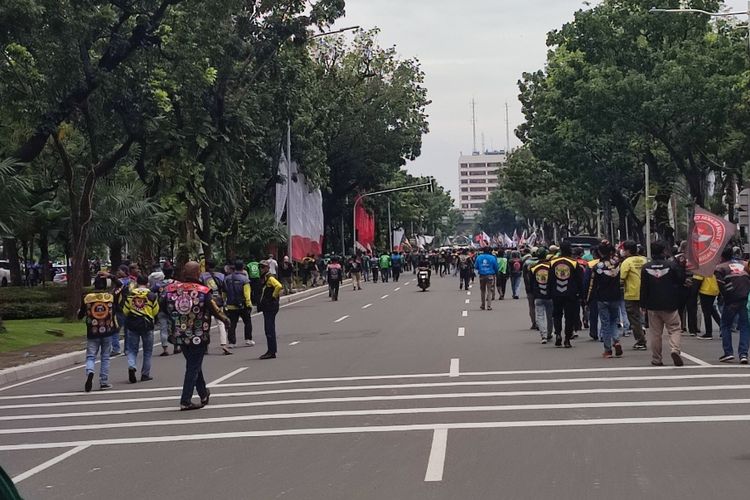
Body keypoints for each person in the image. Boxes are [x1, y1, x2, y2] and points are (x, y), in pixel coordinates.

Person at [163, 261, 230, 410]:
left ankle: (203, 393)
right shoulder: (203, 291)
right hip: (198, 335)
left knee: (194, 365)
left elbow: (163, 307)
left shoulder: (171, 290)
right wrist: (225, 320)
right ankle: (185, 400)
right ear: (198, 273)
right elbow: (214, 310)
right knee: (193, 367)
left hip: (179, 334)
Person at [640, 241, 684, 367]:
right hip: (670, 303)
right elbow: (680, 280)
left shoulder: (646, 267)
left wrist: (643, 304)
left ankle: (656, 359)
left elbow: (643, 287)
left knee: (655, 333)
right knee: (674, 329)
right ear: (664, 251)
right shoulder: (671, 266)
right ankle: (675, 349)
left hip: (653, 304)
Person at [78, 274, 120, 391]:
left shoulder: (87, 297)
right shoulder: (110, 296)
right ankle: (103, 381)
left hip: (92, 331)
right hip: (108, 331)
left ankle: (90, 371)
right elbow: (121, 286)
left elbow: (80, 314)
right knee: (105, 357)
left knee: (91, 356)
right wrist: (111, 276)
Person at [587, 243, 623, 359]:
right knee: (614, 320)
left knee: (605, 323)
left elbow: (592, 285)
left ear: (600, 253)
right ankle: (616, 340)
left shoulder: (597, 267)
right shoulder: (617, 264)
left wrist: (588, 299)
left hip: (602, 298)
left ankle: (608, 350)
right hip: (616, 297)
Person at [715, 246, 750, 363]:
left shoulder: (720, 268)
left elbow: (721, 286)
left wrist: (725, 298)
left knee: (725, 325)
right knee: (745, 326)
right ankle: (744, 354)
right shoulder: (744, 264)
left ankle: (728, 352)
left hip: (731, 300)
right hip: (745, 298)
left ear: (722, 256)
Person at [123, 274, 159, 383]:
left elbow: (125, 311)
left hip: (132, 325)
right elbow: (155, 311)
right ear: (147, 283)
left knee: (132, 350)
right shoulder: (151, 295)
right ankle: (145, 374)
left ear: (137, 283)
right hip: (147, 325)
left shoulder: (131, 294)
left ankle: (132, 365)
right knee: (147, 352)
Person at [548, 241, 584, 348]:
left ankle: (558, 334)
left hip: (556, 293)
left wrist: (550, 292)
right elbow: (579, 280)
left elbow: (550, 280)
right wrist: (581, 295)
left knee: (557, 315)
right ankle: (567, 339)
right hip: (571, 294)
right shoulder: (574, 263)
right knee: (569, 317)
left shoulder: (552, 262)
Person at [620, 240, 648, 350]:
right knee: (643, 316)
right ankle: (642, 330)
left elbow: (622, 278)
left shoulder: (626, 262)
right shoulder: (644, 260)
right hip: (645, 293)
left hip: (631, 293)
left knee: (633, 318)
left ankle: (640, 340)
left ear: (627, 250)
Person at [200, 260, 231, 355]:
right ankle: (224, 344)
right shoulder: (221, 276)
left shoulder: (202, 276)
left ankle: (205, 346)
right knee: (221, 323)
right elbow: (225, 289)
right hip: (218, 301)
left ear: (207, 266)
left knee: (206, 324)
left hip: (207, 301)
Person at [224, 260, 254, 348]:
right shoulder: (245, 279)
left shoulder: (227, 278)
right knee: (247, 322)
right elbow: (247, 294)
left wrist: (225, 302)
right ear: (242, 267)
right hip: (243, 305)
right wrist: (249, 304)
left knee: (232, 324)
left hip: (230, 305)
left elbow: (224, 292)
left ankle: (232, 342)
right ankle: (248, 339)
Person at [258, 260, 283, 359]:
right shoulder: (264, 278)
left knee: (269, 329)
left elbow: (279, 286)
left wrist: (273, 297)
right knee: (268, 329)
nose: (261, 269)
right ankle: (271, 350)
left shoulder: (270, 278)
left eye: (263, 267)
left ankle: (271, 351)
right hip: (267, 306)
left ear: (267, 268)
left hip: (270, 306)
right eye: (260, 267)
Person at [152, 263, 176, 356]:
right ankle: (176, 347)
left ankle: (165, 348)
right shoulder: (176, 283)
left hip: (161, 309)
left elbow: (151, 292)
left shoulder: (159, 284)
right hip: (174, 309)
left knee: (163, 328)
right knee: (175, 327)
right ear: (172, 272)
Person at [531, 248, 553, 343]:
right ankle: (549, 334)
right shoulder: (551, 267)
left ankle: (543, 335)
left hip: (538, 295)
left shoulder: (533, 268)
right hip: (550, 295)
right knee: (550, 316)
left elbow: (531, 283)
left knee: (540, 316)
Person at [695, 271, 721, 340]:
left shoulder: (703, 268)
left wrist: (694, 292)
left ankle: (708, 333)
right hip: (714, 290)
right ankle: (722, 326)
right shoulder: (714, 267)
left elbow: (698, 280)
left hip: (705, 290)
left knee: (706, 312)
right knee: (712, 310)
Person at [522, 250, 540, 329]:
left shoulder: (526, 263)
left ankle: (534, 323)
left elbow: (525, 277)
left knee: (531, 306)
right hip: (540, 287)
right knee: (540, 306)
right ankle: (540, 323)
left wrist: (527, 287)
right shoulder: (541, 262)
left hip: (530, 288)